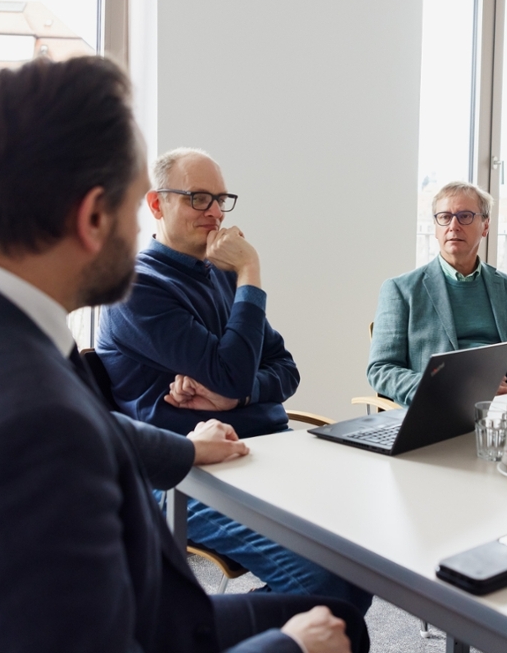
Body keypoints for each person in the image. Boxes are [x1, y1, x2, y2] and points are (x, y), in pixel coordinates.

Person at [0, 57, 368, 653]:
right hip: (115, 622)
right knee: (329, 625)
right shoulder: (35, 431)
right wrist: (290, 649)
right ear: (95, 217)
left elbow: (90, 427)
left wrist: (183, 446)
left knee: (337, 613)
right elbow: (55, 435)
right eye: (131, 208)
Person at [96, 147, 372, 614]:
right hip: (190, 472)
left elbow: (286, 369)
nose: (216, 213)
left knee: (367, 560)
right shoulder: (136, 288)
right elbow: (229, 370)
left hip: (269, 451)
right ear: (157, 204)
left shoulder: (219, 277)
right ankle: (211, 634)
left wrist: (236, 396)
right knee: (333, 586)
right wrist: (250, 272)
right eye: (198, 198)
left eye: (221, 200)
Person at [368, 181, 507, 405]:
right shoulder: (400, 290)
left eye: (465, 216)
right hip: (438, 409)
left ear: (485, 226)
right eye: (444, 217)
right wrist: (444, 390)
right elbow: (381, 369)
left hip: (506, 409)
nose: (453, 226)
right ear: (436, 228)